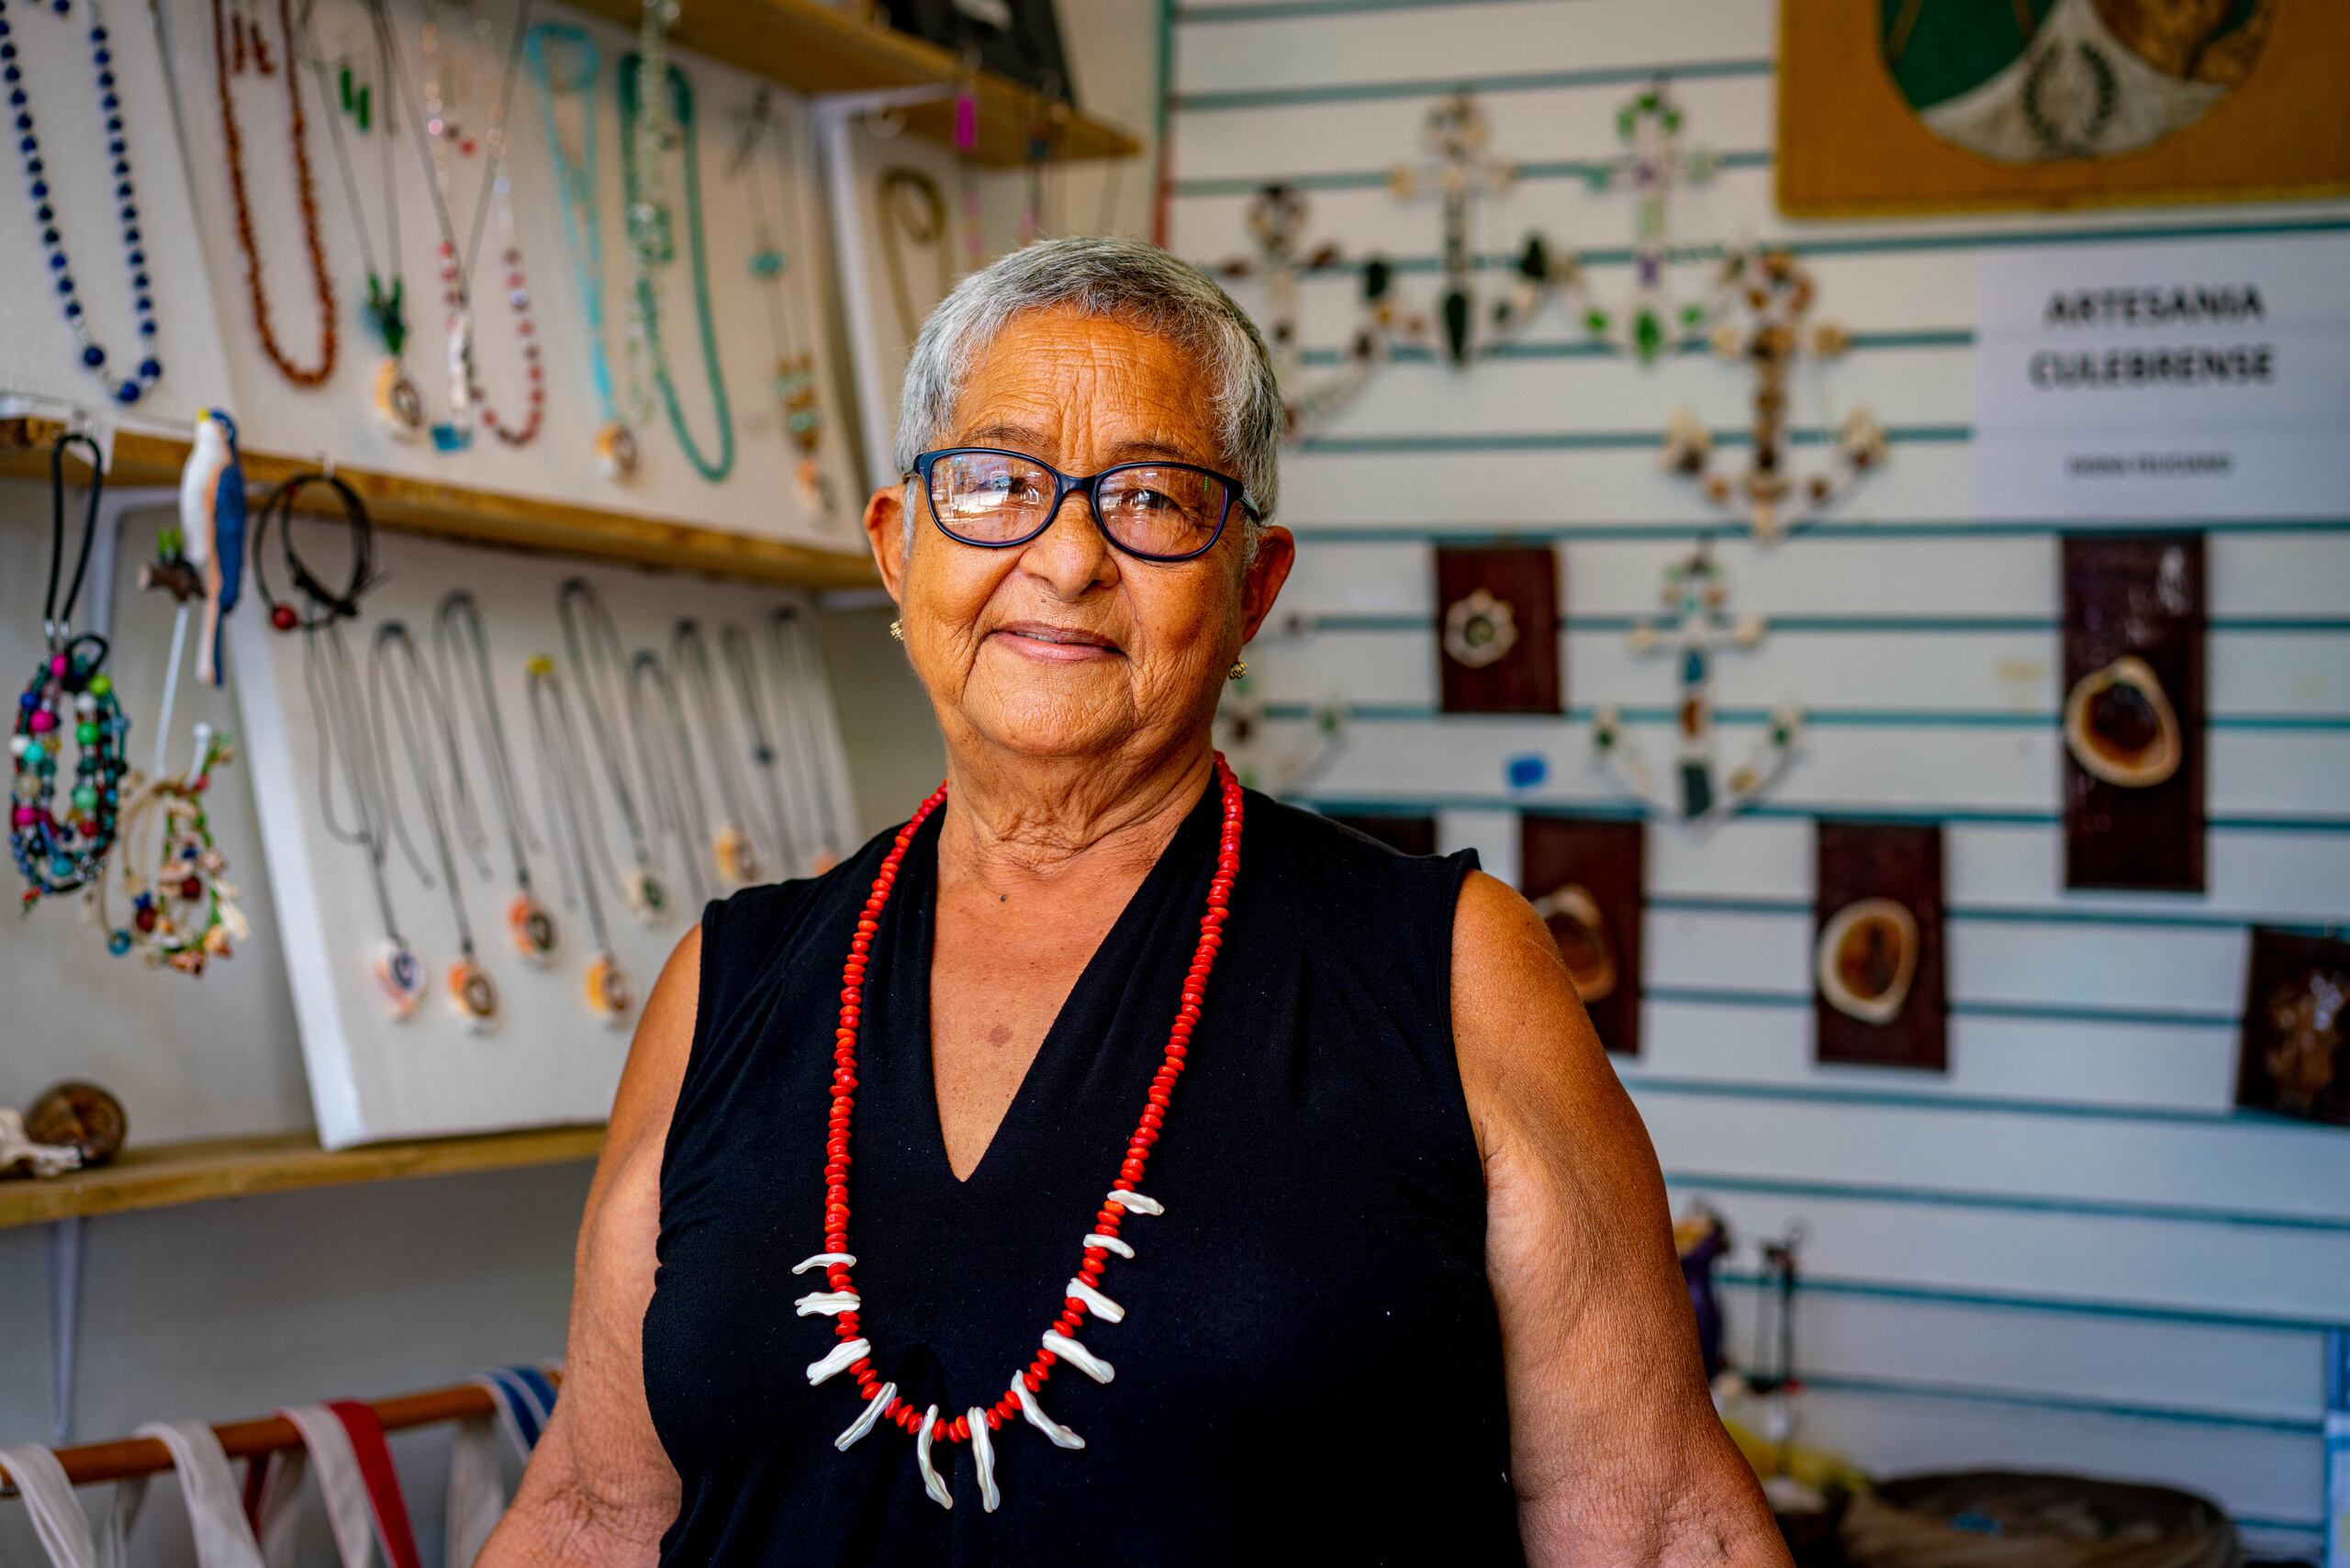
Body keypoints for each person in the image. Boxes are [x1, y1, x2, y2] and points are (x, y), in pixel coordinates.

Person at [482, 236, 1787, 1566]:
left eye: (1152, 500)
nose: (1066, 560)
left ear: (1251, 591)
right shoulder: (731, 981)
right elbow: (593, 1513)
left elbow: (1658, 1529)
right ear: (896, 547)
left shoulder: (1449, 971)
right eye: (993, 483)